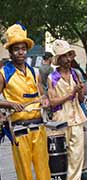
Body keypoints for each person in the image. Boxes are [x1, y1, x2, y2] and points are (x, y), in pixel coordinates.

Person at [0, 23, 51, 180]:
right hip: (19, 129)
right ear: (10, 52)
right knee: (24, 172)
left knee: (44, 169)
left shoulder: (33, 71)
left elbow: (42, 94)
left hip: (38, 126)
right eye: (16, 49)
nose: (20, 52)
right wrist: (9, 104)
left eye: (23, 48)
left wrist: (45, 101)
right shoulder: (4, 73)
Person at [48, 39, 87, 180]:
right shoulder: (52, 78)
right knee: (60, 157)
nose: (68, 59)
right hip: (60, 120)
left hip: (77, 118)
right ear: (59, 59)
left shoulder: (75, 74)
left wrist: (80, 90)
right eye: (64, 56)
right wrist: (70, 94)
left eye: (69, 55)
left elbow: (81, 99)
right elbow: (52, 102)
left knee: (77, 155)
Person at [71, 58, 87, 180]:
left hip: (80, 112)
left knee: (83, 143)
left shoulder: (76, 73)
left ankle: (83, 171)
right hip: (65, 114)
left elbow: (83, 93)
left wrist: (79, 87)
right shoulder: (54, 76)